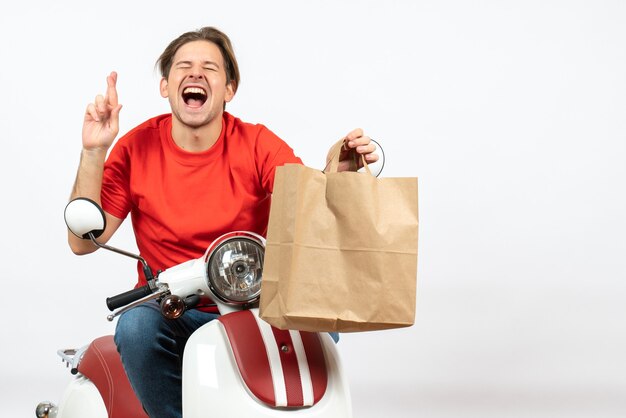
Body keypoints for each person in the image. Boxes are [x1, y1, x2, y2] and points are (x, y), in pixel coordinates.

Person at [67, 26, 378, 418]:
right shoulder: (136, 147)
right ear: (166, 86)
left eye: (209, 68)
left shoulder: (257, 143)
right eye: (184, 66)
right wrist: (94, 150)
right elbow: (83, 240)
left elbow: (307, 209)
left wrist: (339, 175)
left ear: (229, 89)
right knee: (135, 328)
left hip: (255, 303)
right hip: (172, 309)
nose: (196, 73)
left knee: (319, 324)